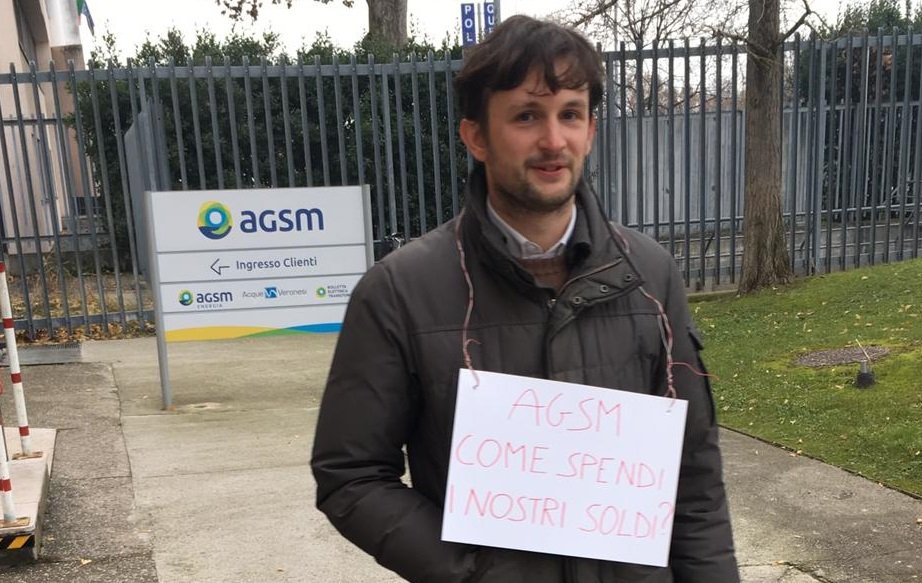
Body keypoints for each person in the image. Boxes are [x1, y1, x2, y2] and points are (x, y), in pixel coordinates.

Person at [311, 15, 738, 583]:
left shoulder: (650, 273)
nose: (553, 141)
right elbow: (352, 476)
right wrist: (474, 573)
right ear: (476, 137)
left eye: (570, 114)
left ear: (590, 130)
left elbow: (693, 473)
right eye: (526, 116)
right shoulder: (398, 291)